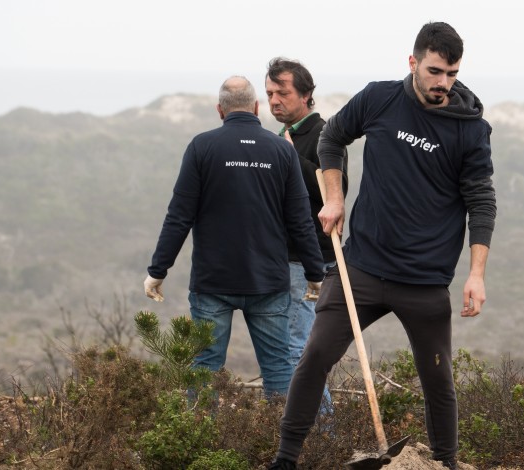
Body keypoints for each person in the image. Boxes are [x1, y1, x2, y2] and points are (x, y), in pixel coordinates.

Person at [269, 22, 496, 470]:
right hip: (362, 269)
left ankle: (444, 464)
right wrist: (335, 199)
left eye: (451, 74)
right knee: (314, 357)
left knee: (438, 380)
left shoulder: (470, 130)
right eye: (434, 71)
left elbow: (481, 202)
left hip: (425, 281)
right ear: (412, 62)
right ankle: (285, 458)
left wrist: (476, 273)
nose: (442, 83)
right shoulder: (380, 98)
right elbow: (332, 137)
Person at [143, 76, 326, 399]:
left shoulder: (202, 147)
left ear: (220, 110)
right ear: (256, 108)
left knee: (205, 367)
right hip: (268, 281)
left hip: (213, 281)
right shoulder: (280, 151)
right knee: (279, 367)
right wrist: (314, 273)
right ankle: (287, 445)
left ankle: (198, 444)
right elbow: (300, 220)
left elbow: (179, 215)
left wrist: (158, 270)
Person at [264, 57, 349, 372]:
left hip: (312, 261)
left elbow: (336, 193)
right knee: (283, 346)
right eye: (270, 93)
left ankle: (321, 423)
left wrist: (289, 156)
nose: (274, 100)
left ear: (305, 94)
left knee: (297, 348)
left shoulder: (326, 135)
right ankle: (295, 419)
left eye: (282, 92)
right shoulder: (280, 139)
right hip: (281, 259)